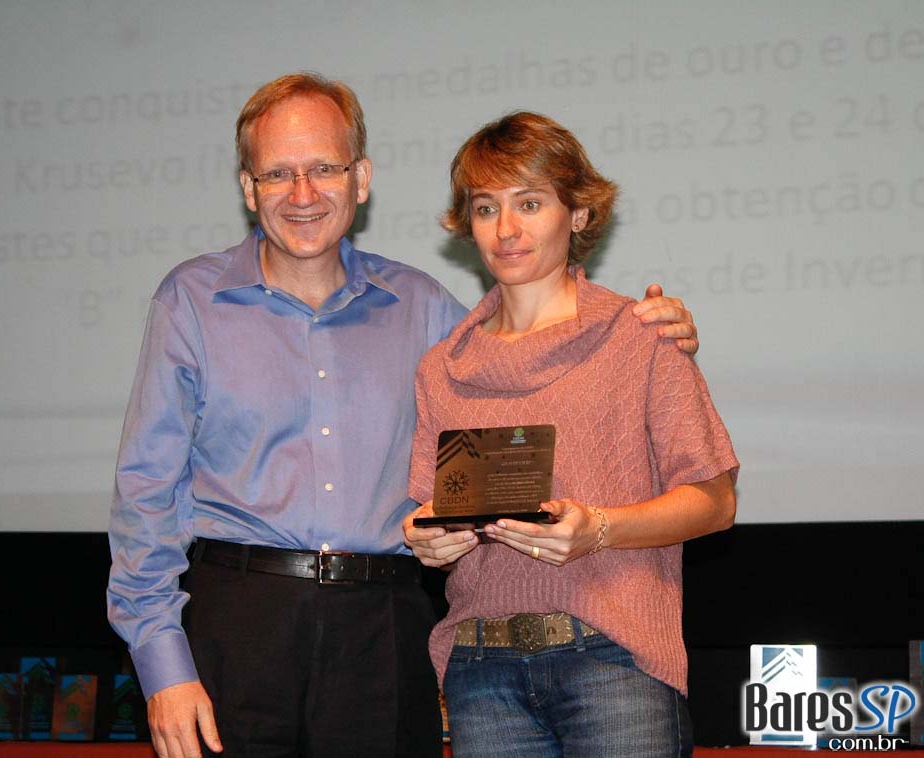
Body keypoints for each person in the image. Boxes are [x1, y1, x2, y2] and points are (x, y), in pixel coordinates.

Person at [107, 73, 702, 758]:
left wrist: (651, 325)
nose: (303, 195)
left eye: (324, 168)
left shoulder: (426, 310)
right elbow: (144, 497)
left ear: (361, 179)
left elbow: (532, 351)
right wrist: (162, 667)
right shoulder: (190, 300)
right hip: (236, 628)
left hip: (382, 633)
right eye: (279, 174)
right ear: (249, 189)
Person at [403, 111, 739, 758]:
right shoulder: (442, 369)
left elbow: (716, 501)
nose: (506, 229)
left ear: (578, 215)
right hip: (481, 675)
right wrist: (425, 537)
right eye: (484, 208)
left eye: (529, 203)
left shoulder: (640, 338)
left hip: (614, 662)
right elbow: (423, 509)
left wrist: (600, 530)